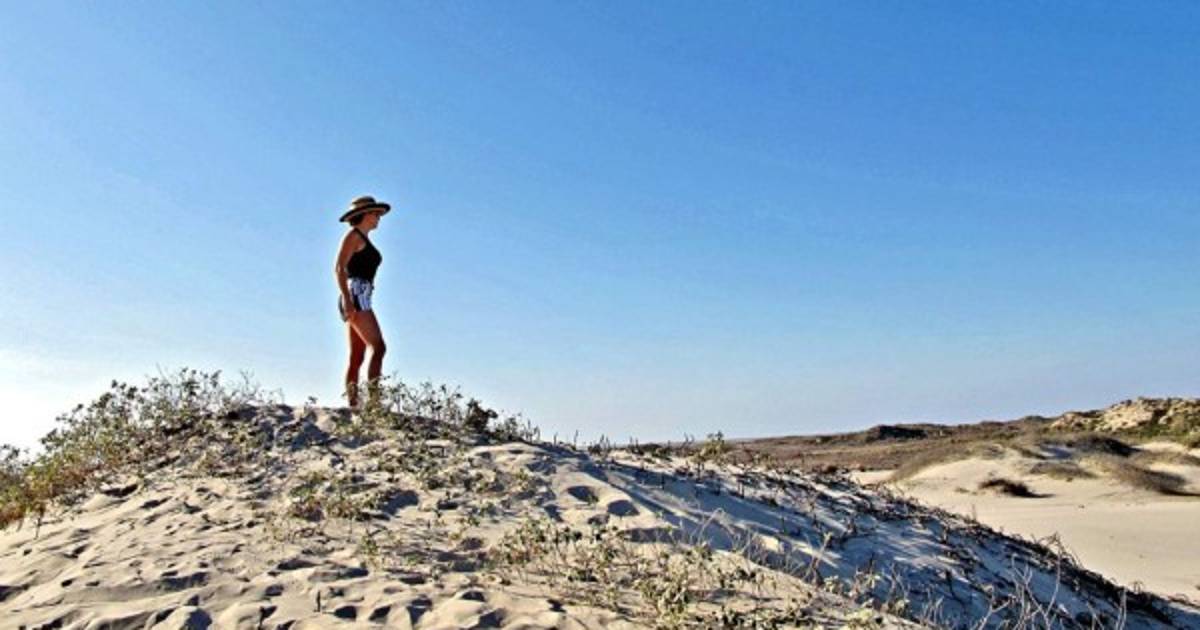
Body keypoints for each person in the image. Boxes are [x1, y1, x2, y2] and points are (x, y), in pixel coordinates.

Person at [334, 195, 390, 407]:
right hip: (355, 293)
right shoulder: (353, 236)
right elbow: (339, 268)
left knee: (357, 355)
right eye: (375, 213)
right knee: (379, 347)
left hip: (361, 293)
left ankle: (353, 405)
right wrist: (348, 300)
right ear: (364, 214)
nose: (378, 217)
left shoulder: (364, 239)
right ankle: (374, 404)